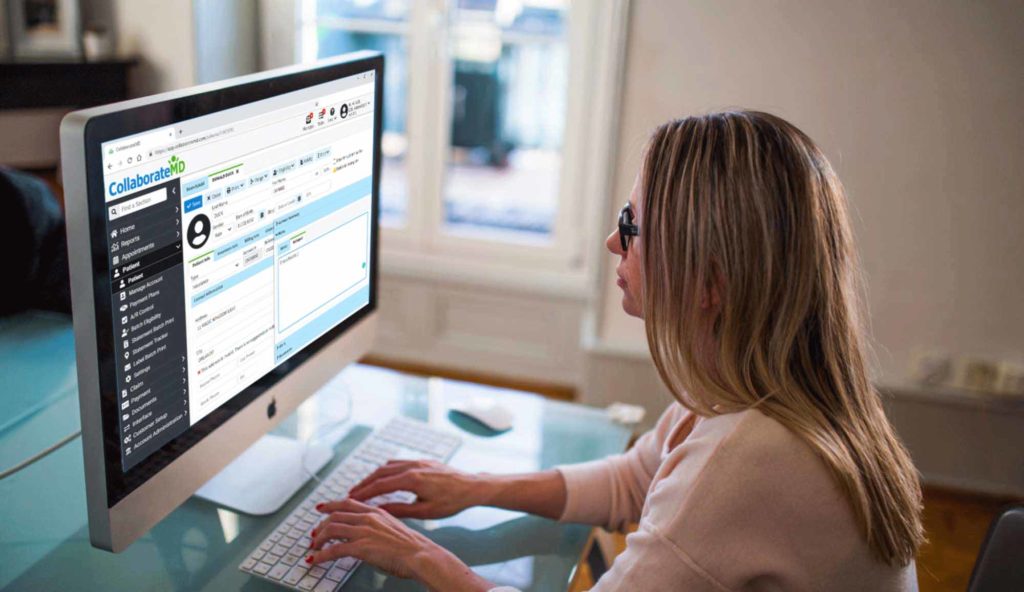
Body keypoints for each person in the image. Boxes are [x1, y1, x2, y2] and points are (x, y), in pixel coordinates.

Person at [304, 111, 924, 591]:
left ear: (710, 282)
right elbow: (632, 478)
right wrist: (476, 486)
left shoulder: (749, 459)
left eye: (631, 226)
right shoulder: (762, 385)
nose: (611, 240)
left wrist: (418, 554)